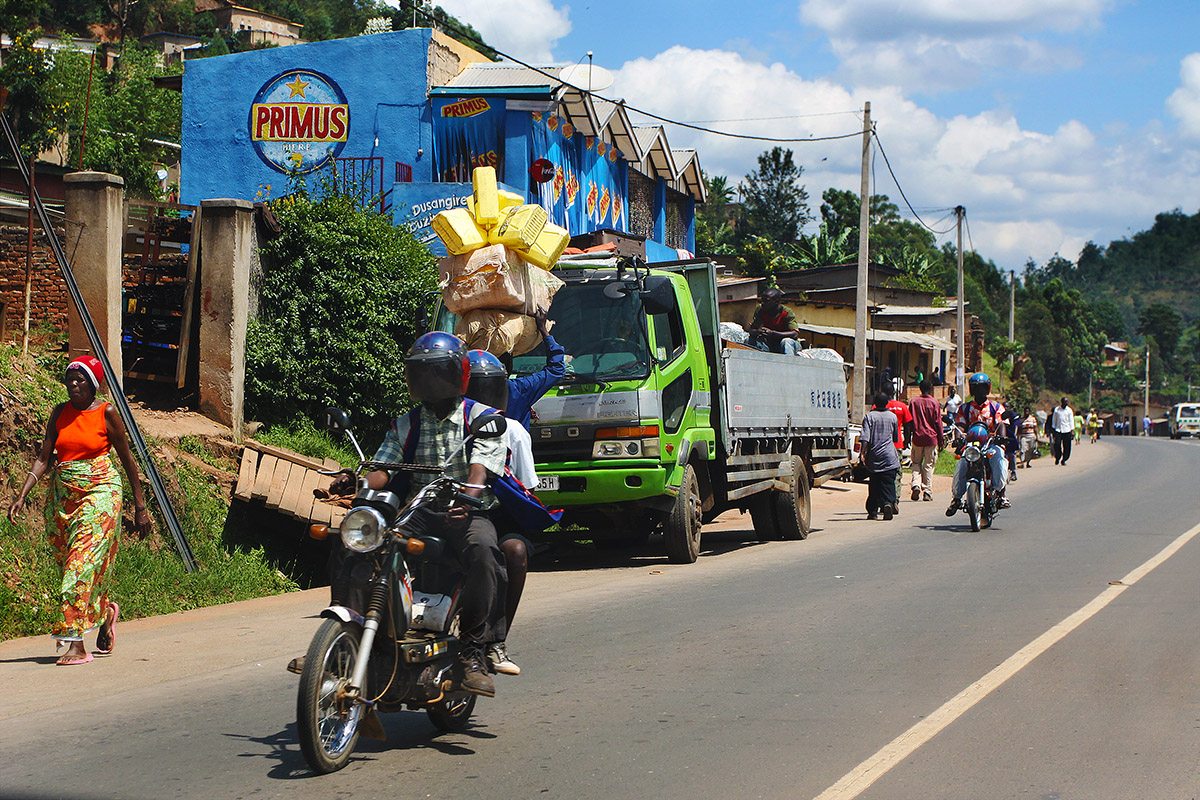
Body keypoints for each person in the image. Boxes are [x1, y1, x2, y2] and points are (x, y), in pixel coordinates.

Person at [336, 332, 508, 697]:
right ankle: (344, 640)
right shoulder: (406, 422)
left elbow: (481, 467)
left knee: (483, 552)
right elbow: (384, 465)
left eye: (437, 374)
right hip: (418, 507)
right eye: (422, 374)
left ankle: (473, 653)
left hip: (464, 510)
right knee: (359, 540)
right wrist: (359, 480)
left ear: (457, 375)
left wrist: (469, 496)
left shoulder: (483, 418)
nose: (429, 383)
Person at [7, 356, 151, 666]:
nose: (73, 384)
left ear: (93, 384)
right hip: (64, 499)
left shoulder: (106, 413)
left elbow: (127, 461)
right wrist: (22, 494)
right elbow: (45, 458)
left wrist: (140, 507)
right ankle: (103, 613)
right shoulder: (60, 413)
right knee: (73, 568)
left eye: (80, 379)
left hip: (101, 494)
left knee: (78, 565)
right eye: (70, 379)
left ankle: (74, 643)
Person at [466, 349, 538, 677]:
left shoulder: (507, 430)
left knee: (513, 551)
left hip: (494, 515)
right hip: (448, 509)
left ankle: (497, 639)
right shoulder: (448, 423)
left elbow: (524, 488)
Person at [945, 372, 1009, 517]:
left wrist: (1001, 438)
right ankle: (956, 498)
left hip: (990, 444)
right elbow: (960, 425)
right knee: (961, 464)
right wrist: (958, 438)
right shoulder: (964, 408)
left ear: (988, 388)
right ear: (972, 390)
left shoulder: (996, 407)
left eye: (982, 387)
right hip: (972, 445)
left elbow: (1001, 423)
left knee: (999, 458)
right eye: (976, 388)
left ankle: (1000, 492)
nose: (980, 391)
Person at [501, 309, 565, 430]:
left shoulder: (467, 391)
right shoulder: (519, 389)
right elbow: (556, 369)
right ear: (509, 367)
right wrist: (543, 330)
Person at [859, 392, 900, 520]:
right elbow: (895, 438)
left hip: (874, 457)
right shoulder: (893, 417)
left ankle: (872, 512)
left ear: (875, 403)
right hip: (889, 456)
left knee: (874, 485)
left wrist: (862, 454)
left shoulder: (869, 417)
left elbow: (865, 438)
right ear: (887, 402)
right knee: (888, 483)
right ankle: (888, 503)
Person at [907, 380, 943, 502]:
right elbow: (938, 423)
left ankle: (916, 484)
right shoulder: (934, 402)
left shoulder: (914, 402)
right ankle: (927, 491)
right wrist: (941, 440)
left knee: (916, 462)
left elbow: (910, 421)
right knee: (928, 465)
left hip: (917, 437)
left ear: (920, 388)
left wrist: (908, 437)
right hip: (931, 438)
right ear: (931, 388)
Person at [747, 287, 802, 355]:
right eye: (762, 300)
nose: (762, 303)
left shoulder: (787, 313)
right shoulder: (761, 310)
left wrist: (773, 333)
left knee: (786, 342)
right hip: (770, 345)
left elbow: (795, 333)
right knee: (749, 340)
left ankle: (788, 364)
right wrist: (759, 332)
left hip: (787, 346)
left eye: (767, 301)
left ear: (777, 301)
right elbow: (752, 329)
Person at [885, 387, 914, 513]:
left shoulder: (879, 405)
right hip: (897, 446)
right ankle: (895, 500)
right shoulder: (902, 406)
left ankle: (885, 501)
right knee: (896, 473)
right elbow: (908, 426)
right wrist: (907, 440)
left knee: (882, 474)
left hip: (882, 446)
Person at [1050, 396, 1075, 465]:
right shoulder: (1057, 410)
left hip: (1067, 430)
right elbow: (1054, 420)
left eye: (1067, 401)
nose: (1066, 403)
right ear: (1062, 402)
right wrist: (1053, 428)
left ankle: (1064, 459)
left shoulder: (1069, 410)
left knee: (1067, 446)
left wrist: (1072, 430)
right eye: (1065, 401)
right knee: (1057, 444)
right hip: (1058, 430)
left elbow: (1071, 421)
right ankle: (1058, 457)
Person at [1001, 401, 1021, 482]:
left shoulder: (1013, 415)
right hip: (1000, 436)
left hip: (1010, 436)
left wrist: (1014, 436)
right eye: (1004, 406)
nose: (1005, 408)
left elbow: (1016, 426)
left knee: (1011, 454)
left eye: (1007, 407)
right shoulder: (999, 415)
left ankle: (1013, 471)